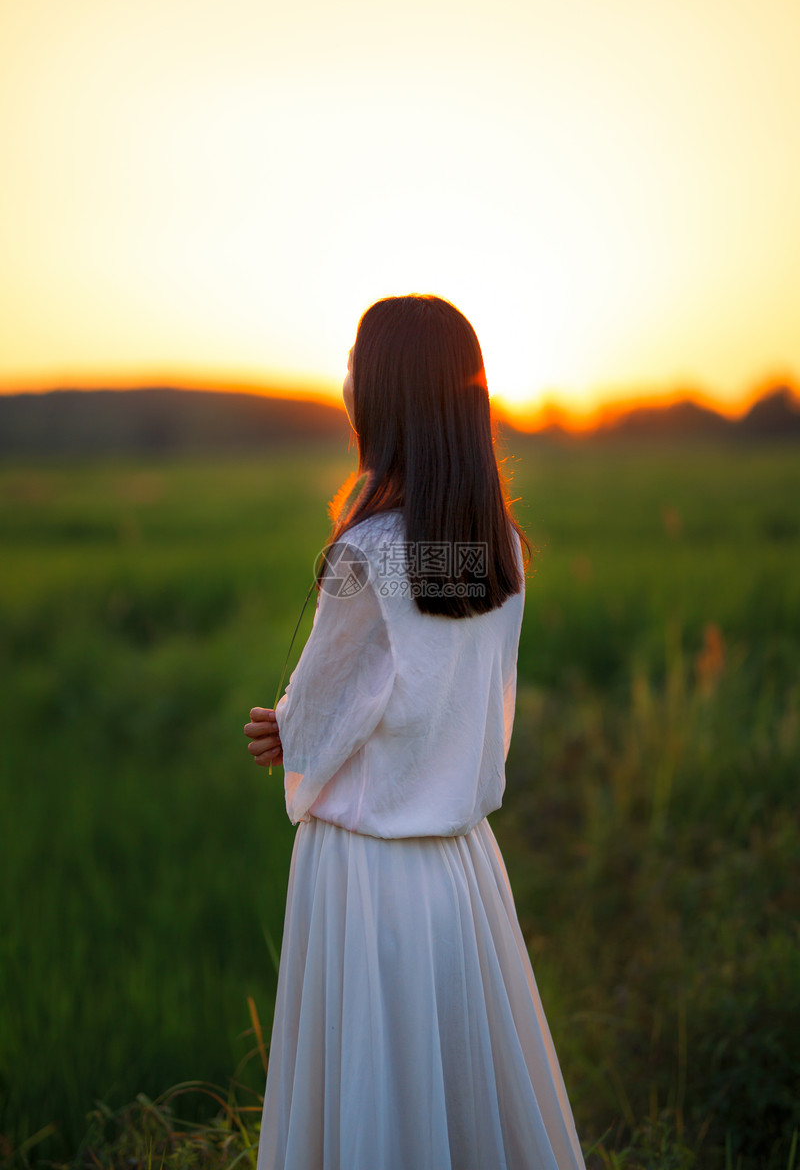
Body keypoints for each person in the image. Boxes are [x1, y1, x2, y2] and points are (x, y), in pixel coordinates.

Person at [244, 294, 587, 1170]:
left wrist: (281, 728)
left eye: (358, 364)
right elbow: (440, 685)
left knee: (374, 1104)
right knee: (464, 1107)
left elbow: (318, 723)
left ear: (384, 397)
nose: (347, 380)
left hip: (366, 871)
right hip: (463, 867)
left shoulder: (369, 555)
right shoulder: (495, 548)